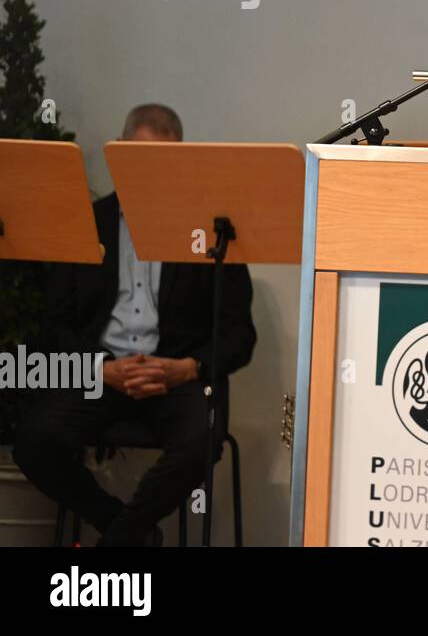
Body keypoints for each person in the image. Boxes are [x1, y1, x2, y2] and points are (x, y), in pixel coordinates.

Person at [14, 104, 256, 546]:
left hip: (175, 378)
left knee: (200, 443)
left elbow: (240, 334)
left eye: (166, 161)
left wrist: (185, 368)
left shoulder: (212, 230)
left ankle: (116, 544)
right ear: (119, 152)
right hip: (101, 373)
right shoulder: (88, 222)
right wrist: (99, 369)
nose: (153, 172)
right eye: (141, 157)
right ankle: (131, 534)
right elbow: (53, 326)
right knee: (33, 441)